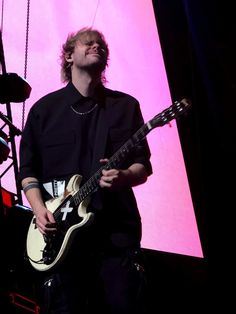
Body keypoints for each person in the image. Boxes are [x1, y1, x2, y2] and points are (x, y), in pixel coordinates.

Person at [18, 27, 153, 314]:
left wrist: (125, 177)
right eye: (88, 43)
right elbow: (28, 171)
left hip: (115, 235)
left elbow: (142, 166)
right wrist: (39, 209)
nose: (97, 47)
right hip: (60, 243)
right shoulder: (44, 110)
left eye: (101, 45)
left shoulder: (125, 107)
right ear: (68, 56)